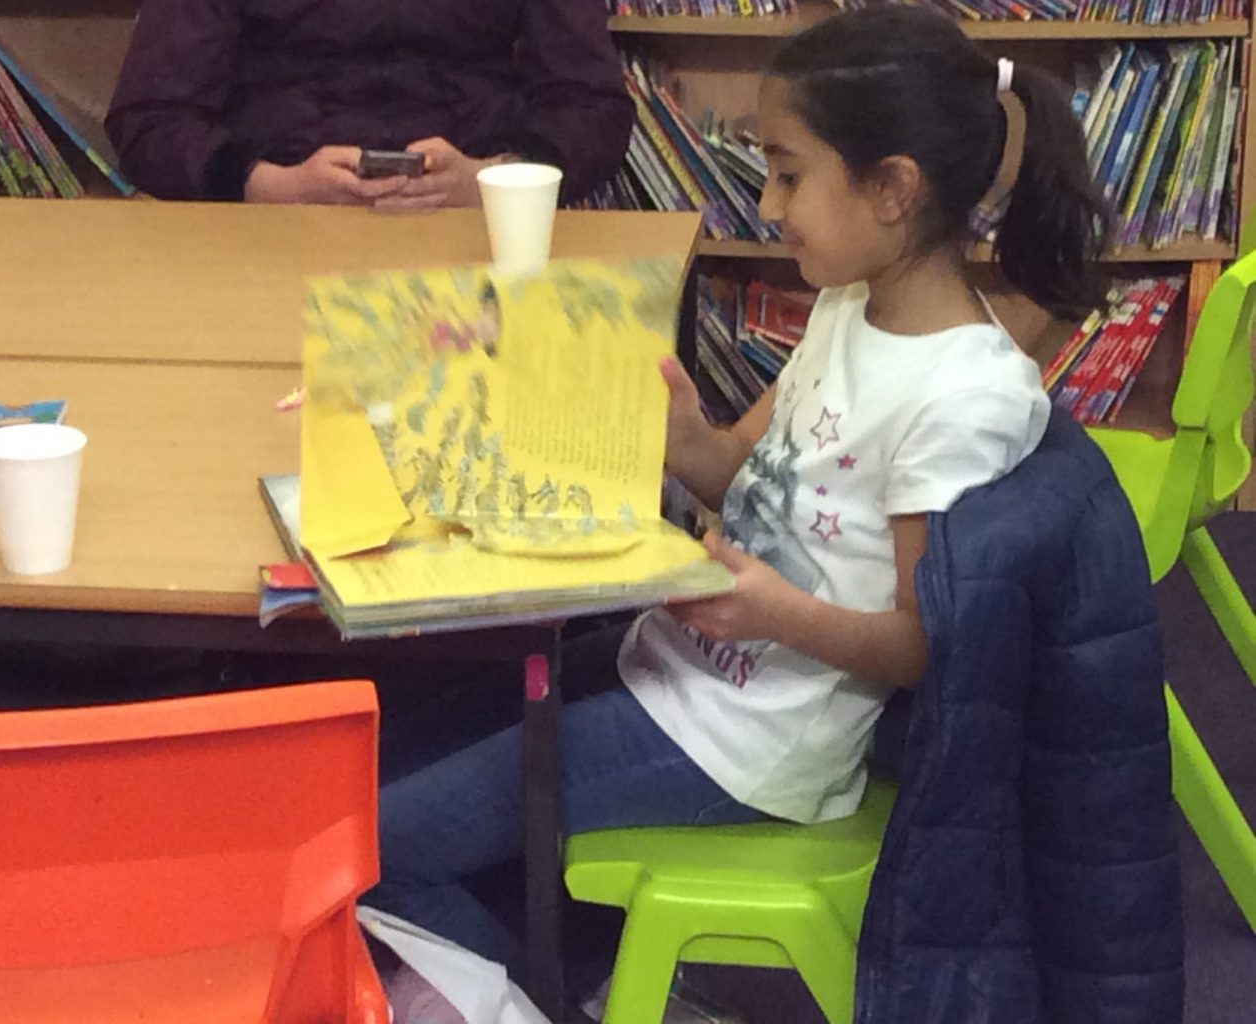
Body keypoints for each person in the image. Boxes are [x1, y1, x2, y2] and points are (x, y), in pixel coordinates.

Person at [364, 3, 1110, 1006]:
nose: (766, 203)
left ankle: (537, 1002)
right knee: (369, 765)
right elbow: (745, 476)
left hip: (749, 744)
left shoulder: (963, 399)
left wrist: (774, 613)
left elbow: (931, 646)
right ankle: (543, 967)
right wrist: (685, 440)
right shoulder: (848, 305)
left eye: (789, 175)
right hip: (679, 667)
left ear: (893, 190)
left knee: (378, 848)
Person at [104, 0, 632, 205]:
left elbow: (592, 106)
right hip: (271, 231)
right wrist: (271, 185)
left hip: (474, 231)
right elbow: (150, 118)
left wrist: (492, 181)